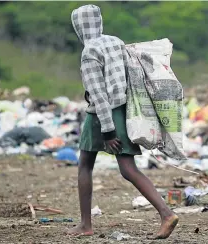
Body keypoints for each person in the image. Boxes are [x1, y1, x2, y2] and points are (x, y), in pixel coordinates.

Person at [67, 5, 178, 239]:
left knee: (86, 165)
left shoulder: (89, 52)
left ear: (78, 27)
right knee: (127, 168)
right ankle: (165, 213)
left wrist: (108, 131)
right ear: (98, 21)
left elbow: (98, 94)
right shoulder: (115, 41)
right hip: (124, 110)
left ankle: (87, 225)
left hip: (101, 116)